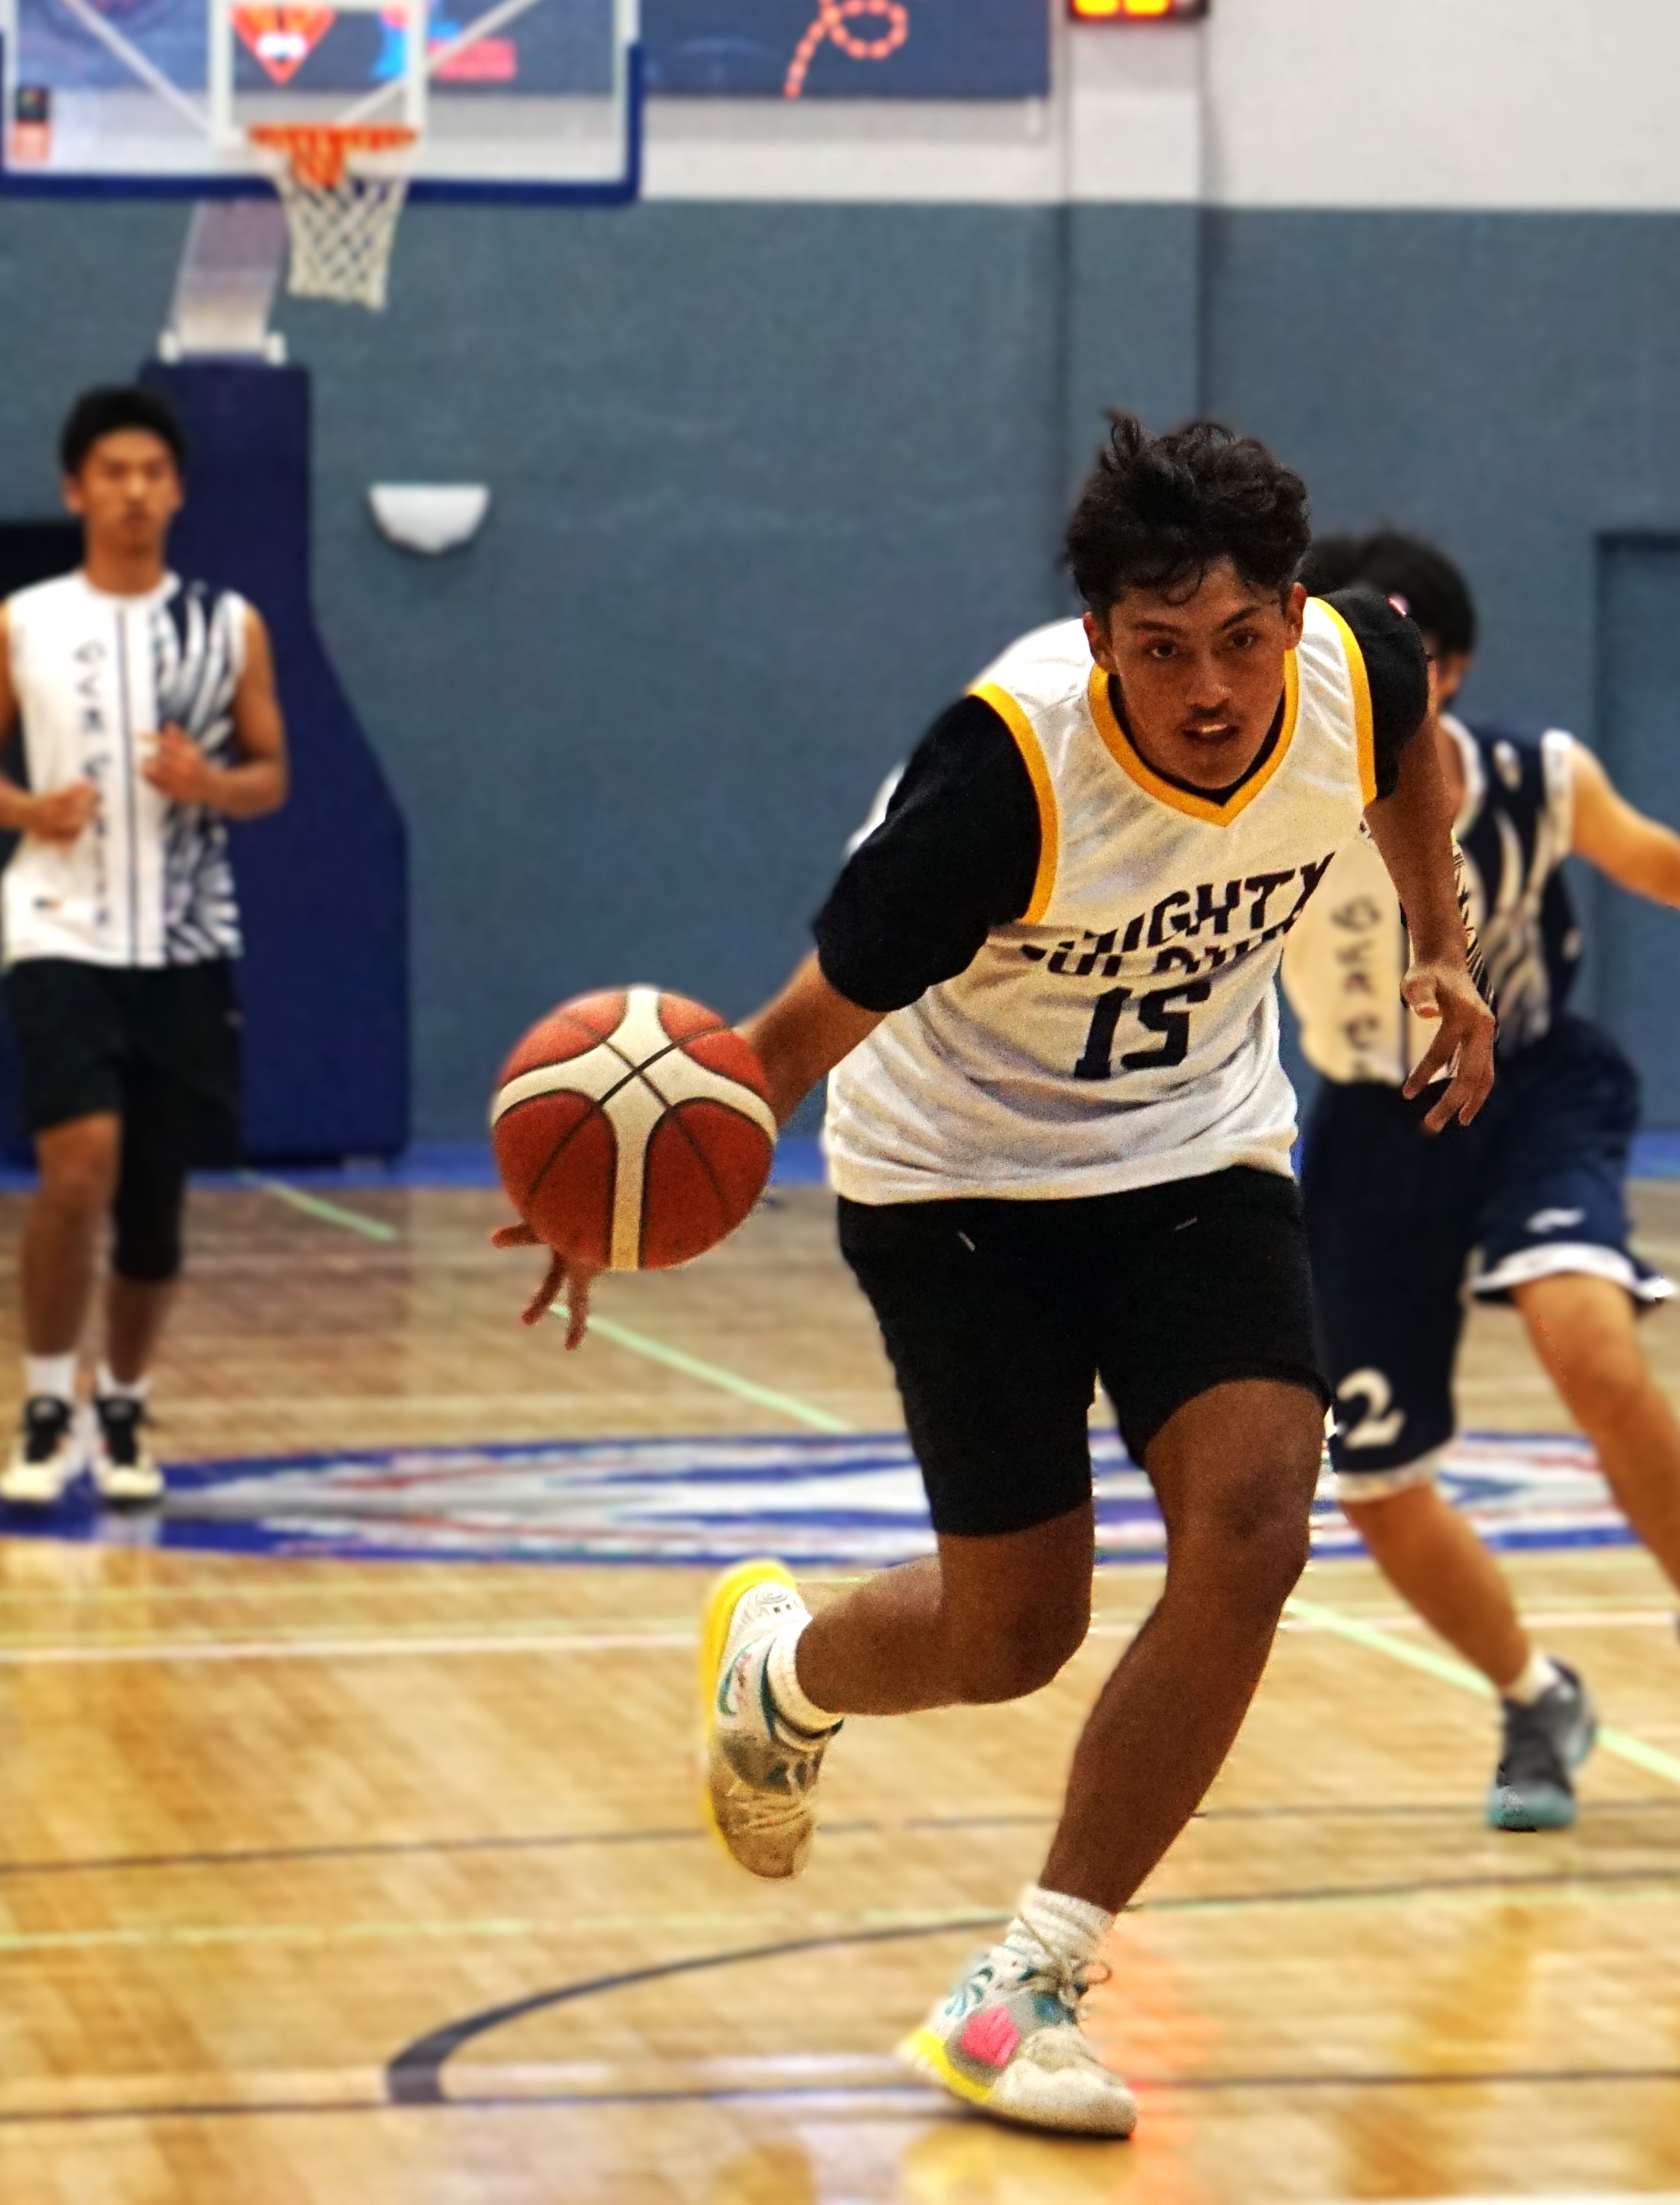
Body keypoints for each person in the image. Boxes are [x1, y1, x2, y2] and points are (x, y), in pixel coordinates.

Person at [502, 418, 1495, 2140]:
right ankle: (785, 1671)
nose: (1211, 688)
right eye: (1162, 647)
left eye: (1242, 640)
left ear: (1290, 617)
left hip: (1190, 1148)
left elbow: (1415, 740)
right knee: (1013, 1629)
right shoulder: (1002, 781)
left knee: (1258, 1519)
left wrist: (1438, 944)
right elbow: (793, 1040)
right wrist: (629, 1195)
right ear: (1101, 634)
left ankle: (1025, 1979)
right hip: (954, 1175)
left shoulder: (1353, 658)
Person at [1283, 531, 1680, 1834]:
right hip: (1373, 1126)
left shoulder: (1536, 778)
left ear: (1451, 670)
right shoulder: (1266, 812)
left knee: (1582, 1331)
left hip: (1529, 1085)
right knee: (1374, 1476)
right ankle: (1535, 1698)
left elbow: (1643, 852)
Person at [0, 385, 288, 1513]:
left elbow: (272, 776)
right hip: (57, 928)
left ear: (177, 488)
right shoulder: (21, 621)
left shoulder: (227, 624)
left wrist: (212, 782)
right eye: (114, 470)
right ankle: (48, 1398)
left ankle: (124, 1398)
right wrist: (22, 807)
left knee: (153, 1201)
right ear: (75, 488)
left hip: (183, 940)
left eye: (153, 470)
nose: (135, 488)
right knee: (77, 1164)